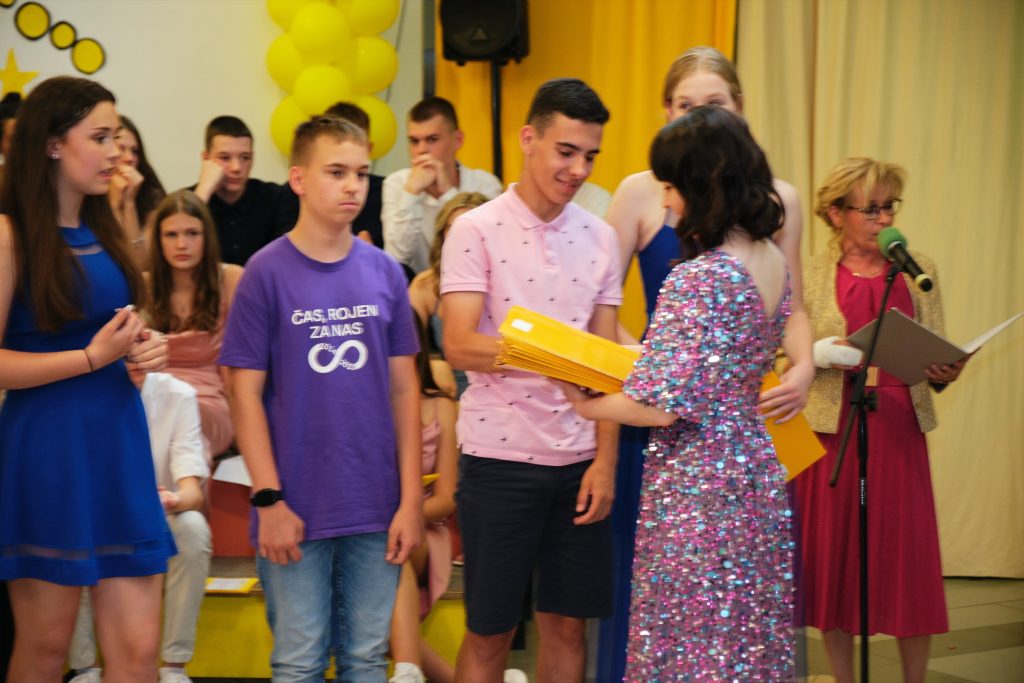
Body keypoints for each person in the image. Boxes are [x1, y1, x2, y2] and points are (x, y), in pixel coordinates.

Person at [598, 45, 815, 681]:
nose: (666, 203)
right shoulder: (763, 257)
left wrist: (582, 402)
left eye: (672, 188)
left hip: (695, 477)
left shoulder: (700, 276)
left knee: (688, 640)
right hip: (749, 465)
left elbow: (666, 406)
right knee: (743, 637)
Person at [219, 115, 423, 681]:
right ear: (299, 179)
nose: (353, 185)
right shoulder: (264, 273)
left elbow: (405, 390)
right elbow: (242, 392)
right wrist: (268, 500)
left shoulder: (386, 272)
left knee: (365, 658)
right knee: (299, 661)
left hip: (374, 503)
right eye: (336, 172)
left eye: (361, 172)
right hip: (294, 504)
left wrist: (409, 501)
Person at [441, 78, 621, 683]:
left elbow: (605, 365)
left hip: (579, 462)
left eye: (590, 156)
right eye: (566, 151)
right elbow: (459, 343)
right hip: (499, 461)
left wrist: (605, 463)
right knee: (490, 630)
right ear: (528, 139)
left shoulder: (601, 237)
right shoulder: (475, 228)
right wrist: (555, 358)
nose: (578, 170)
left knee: (568, 627)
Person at [0, 75, 173, 682]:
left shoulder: (106, 231)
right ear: (53, 143)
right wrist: (92, 358)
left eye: (117, 137)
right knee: (46, 649)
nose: (115, 152)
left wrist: (144, 347)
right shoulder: (9, 236)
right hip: (47, 450)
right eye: (100, 137)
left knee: (138, 652)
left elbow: (116, 327)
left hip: (117, 441)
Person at [795, 158, 965, 683]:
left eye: (889, 206)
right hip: (833, 427)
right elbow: (781, 358)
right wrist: (816, 355)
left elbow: (934, 354)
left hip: (898, 424)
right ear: (835, 213)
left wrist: (943, 370)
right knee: (836, 563)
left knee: (908, 559)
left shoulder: (918, 269)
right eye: (870, 209)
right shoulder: (808, 273)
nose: (884, 218)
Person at [68, 372, 212, 683]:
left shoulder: (178, 395)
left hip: (156, 513)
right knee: (71, 530)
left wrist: (172, 498)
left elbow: (192, 492)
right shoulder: (77, 392)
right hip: (92, 516)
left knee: (192, 527)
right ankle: (85, 668)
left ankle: (174, 666)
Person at [146, 189, 243, 460]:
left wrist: (246, 430)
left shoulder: (231, 278)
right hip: (151, 400)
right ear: (158, 239)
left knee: (183, 418)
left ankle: (182, 484)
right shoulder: (142, 285)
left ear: (207, 236)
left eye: (192, 233)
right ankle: (184, 487)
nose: (182, 244)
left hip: (208, 402)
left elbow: (238, 365)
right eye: (171, 235)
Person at [388, 314, 459, 683]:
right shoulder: (359, 404)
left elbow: (447, 498)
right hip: (367, 527)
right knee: (373, 597)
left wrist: (405, 515)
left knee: (390, 554)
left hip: (424, 527)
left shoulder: (440, 406)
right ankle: (412, 672)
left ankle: (408, 671)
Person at [383, 97, 503, 276]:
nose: (421, 150)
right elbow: (395, 258)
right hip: (416, 287)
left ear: (457, 140)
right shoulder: (396, 183)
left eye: (432, 139)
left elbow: (484, 252)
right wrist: (411, 193)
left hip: (472, 281)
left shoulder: (486, 184)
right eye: (414, 141)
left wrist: (447, 194)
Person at [407, 191, 488, 396]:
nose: (462, 238)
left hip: (498, 386)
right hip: (448, 392)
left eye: (472, 229)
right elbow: (405, 346)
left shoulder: (508, 280)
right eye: (453, 229)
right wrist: (431, 362)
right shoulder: (426, 284)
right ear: (442, 235)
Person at [192, 115, 299, 265]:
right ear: (206, 158)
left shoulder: (276, 197)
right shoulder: (189, 199)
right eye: (225, 158)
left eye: (245, 157)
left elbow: (286, 259)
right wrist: (203, 193)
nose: (236, 167)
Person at [324, 101, 387, 249]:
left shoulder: (387, 190)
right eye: (336, 173)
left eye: (360, 175)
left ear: (368, 148)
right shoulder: (304, 190)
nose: (352, 187)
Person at [109, 115, 167, 269]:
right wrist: (114, 205)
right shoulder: (86, 190)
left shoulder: (151, 195)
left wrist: (129, 203)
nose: (129, 158)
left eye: (135, 151)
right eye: (121, 148)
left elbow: (140, 265)